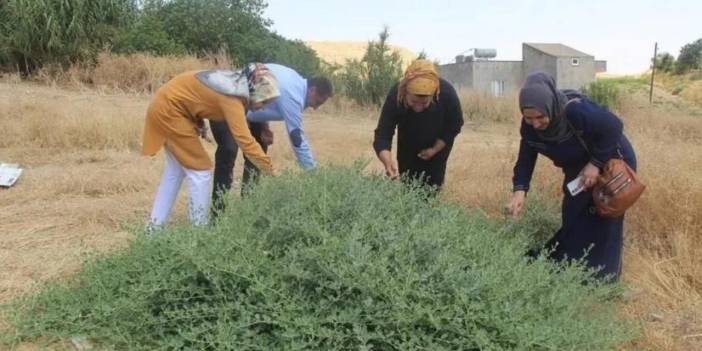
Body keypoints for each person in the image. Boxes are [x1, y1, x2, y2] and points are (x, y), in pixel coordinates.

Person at [508, 72, 638, 281]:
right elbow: (526, 157)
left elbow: (614, 126)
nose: (535, 124)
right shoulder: (529, 128)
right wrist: (519, 190)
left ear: (550, 105)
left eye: (541, 117)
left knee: (605, 214)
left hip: (610, 161)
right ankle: (573, 267)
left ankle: (603, 278)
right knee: (574, 213)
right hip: (577, 166)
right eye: (528, 117)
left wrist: (595, 164)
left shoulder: (575, 110)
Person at [142, 63, 278, 230]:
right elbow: (245, 141)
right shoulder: (233, 97)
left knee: (175, 171)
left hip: (165, 107)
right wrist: (270, 171)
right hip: (169, 111)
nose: (262, 107)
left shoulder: (233, 87)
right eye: (264, 101)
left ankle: (153, 229)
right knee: (201, 171)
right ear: (255, 90)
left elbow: (195, 97)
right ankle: (198, 233)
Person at [209, 64, 332, 211]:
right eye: (318, 102)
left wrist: (264, 125)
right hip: (225, 102)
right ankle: (218, 212)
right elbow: (297, 139)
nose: (315, 107)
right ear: (312, 90)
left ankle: (249, 207)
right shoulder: (294, 95)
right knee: (228, 151)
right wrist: (313, 174)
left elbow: (261, 96)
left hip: (247, 108)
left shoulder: (295, 80)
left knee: (260, 146)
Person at [372, 59, 463, 191]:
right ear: (405, 92)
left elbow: (454, 125)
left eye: (425, 103)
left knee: (432, 187)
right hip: (408, 145)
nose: (418, 108)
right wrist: (387, 162)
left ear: (434, 94)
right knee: (408, 184)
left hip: (438, 144)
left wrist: (434, 149)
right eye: (413, 102)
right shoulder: (396, 95)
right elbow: (383, 133)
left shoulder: (447, 94)